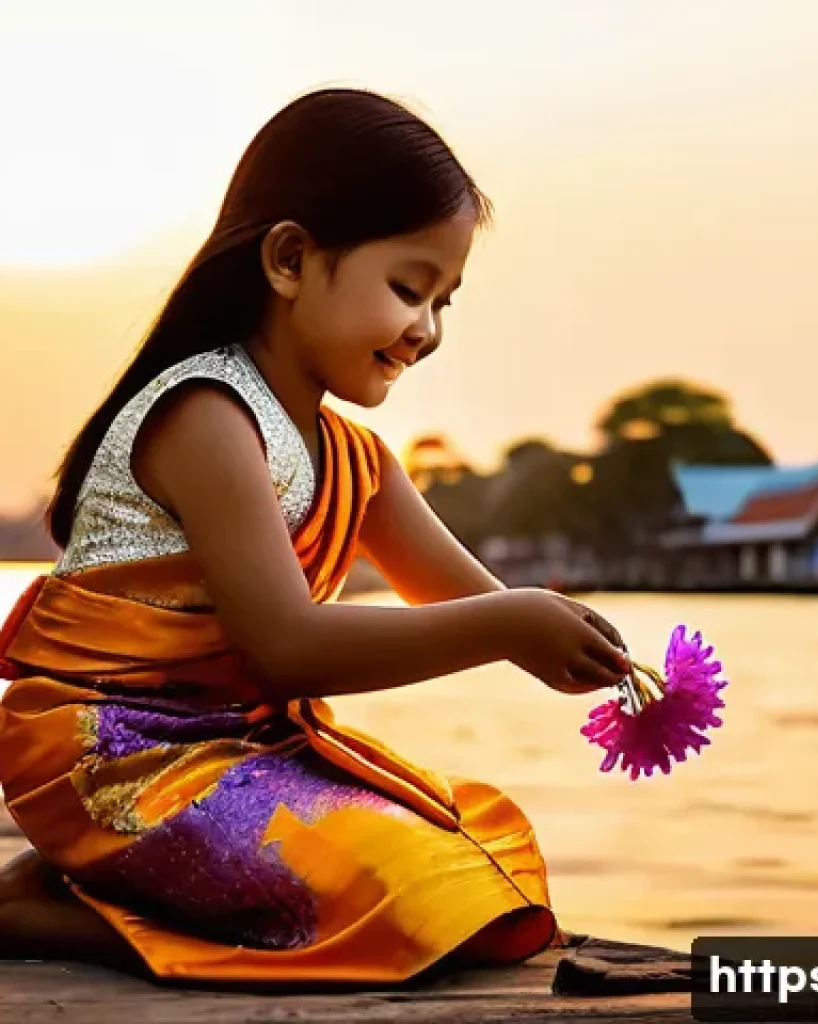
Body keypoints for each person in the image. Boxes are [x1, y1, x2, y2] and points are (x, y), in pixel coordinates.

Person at [0, 88, 633, 985]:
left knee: (486, 868)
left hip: (244, 754)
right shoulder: (206, 415)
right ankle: (54, 916)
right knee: (411, 902)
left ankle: (94, 884)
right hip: (115, 757)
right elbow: (288, 647)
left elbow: (474, 606)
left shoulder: (354, 458)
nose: (429, 331)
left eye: (446, 302)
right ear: (291, 260)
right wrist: (510, 627)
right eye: (409, 289)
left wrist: (585, 654)